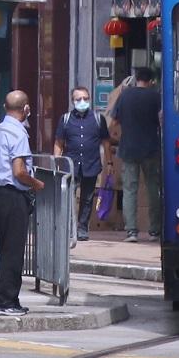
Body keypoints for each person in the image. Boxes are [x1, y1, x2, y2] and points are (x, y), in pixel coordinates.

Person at [0, 90, 44, 317]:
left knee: (6, 249)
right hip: (13, 196)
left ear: (4, 106)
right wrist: (35, 183)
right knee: (14, 251)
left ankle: (8, 297)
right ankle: (4, 301)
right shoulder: (18, 134)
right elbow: (19, 171)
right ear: (26, 109)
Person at [52, 85, 110, 241]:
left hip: (91, 165)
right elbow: (59, 142)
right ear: (73, 101)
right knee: (69, 196)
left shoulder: (98, 119)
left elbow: (106, 142)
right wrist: (56, 162)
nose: (82, 101)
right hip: (71, 165)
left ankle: (83, 227)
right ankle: (70, 227)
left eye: (85, 98)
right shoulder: (65, 119)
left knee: (87, 198)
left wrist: (109, 162)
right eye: (78, 99)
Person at [111, 67, 162, 242]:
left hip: (128, 147)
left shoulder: (125, 95)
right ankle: (155, 230)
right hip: (151, 148)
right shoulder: (156, 97)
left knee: (129, 189)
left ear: (136, 78)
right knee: (153, 188)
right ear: (151, 81)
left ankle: (131, 231)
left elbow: (115, 119)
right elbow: (162, 120)